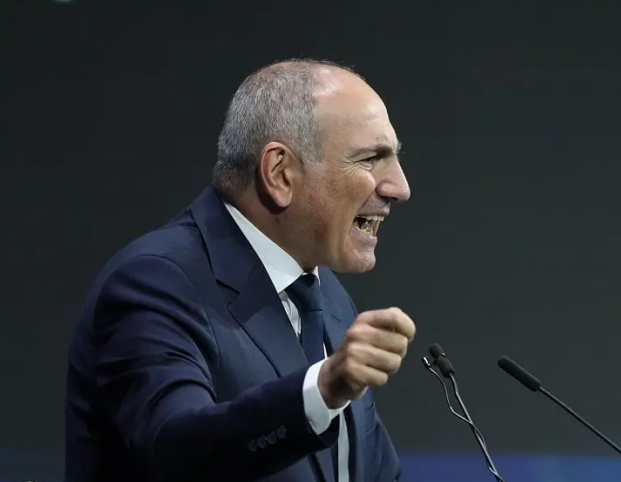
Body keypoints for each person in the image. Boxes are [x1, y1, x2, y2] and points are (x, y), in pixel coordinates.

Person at [64, 59, 414, 482]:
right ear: (280, 173)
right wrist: (321, 390)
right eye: (371, 159)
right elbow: (174, 451)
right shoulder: (156, 283)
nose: (399, 187)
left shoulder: (326, 298)